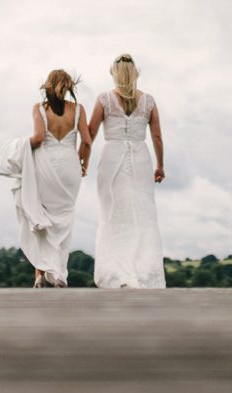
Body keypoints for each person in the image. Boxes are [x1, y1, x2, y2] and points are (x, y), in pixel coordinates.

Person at [88, 54, 166, 288]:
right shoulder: (149, 101)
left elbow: (90, 134)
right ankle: (142, 271)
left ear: (114, 73)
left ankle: (117, 272)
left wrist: (82, 160)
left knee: (113, 214)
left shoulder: (104, 100)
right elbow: (157, 136)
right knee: (142, 215)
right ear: (136, 74)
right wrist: (160, 165)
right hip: (140, 160)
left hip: (111, 158)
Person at [18, 69, 91, 288]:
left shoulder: (40, 109)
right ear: (69, 86)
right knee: (64, 221)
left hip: (45, 166)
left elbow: (39, 139)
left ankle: (39, 274)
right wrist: (83, 164)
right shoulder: (78, 110)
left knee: (43, 217)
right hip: (70, 166)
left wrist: (19, 148)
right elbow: (86, 141)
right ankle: (59, 273)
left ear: (48, 85)